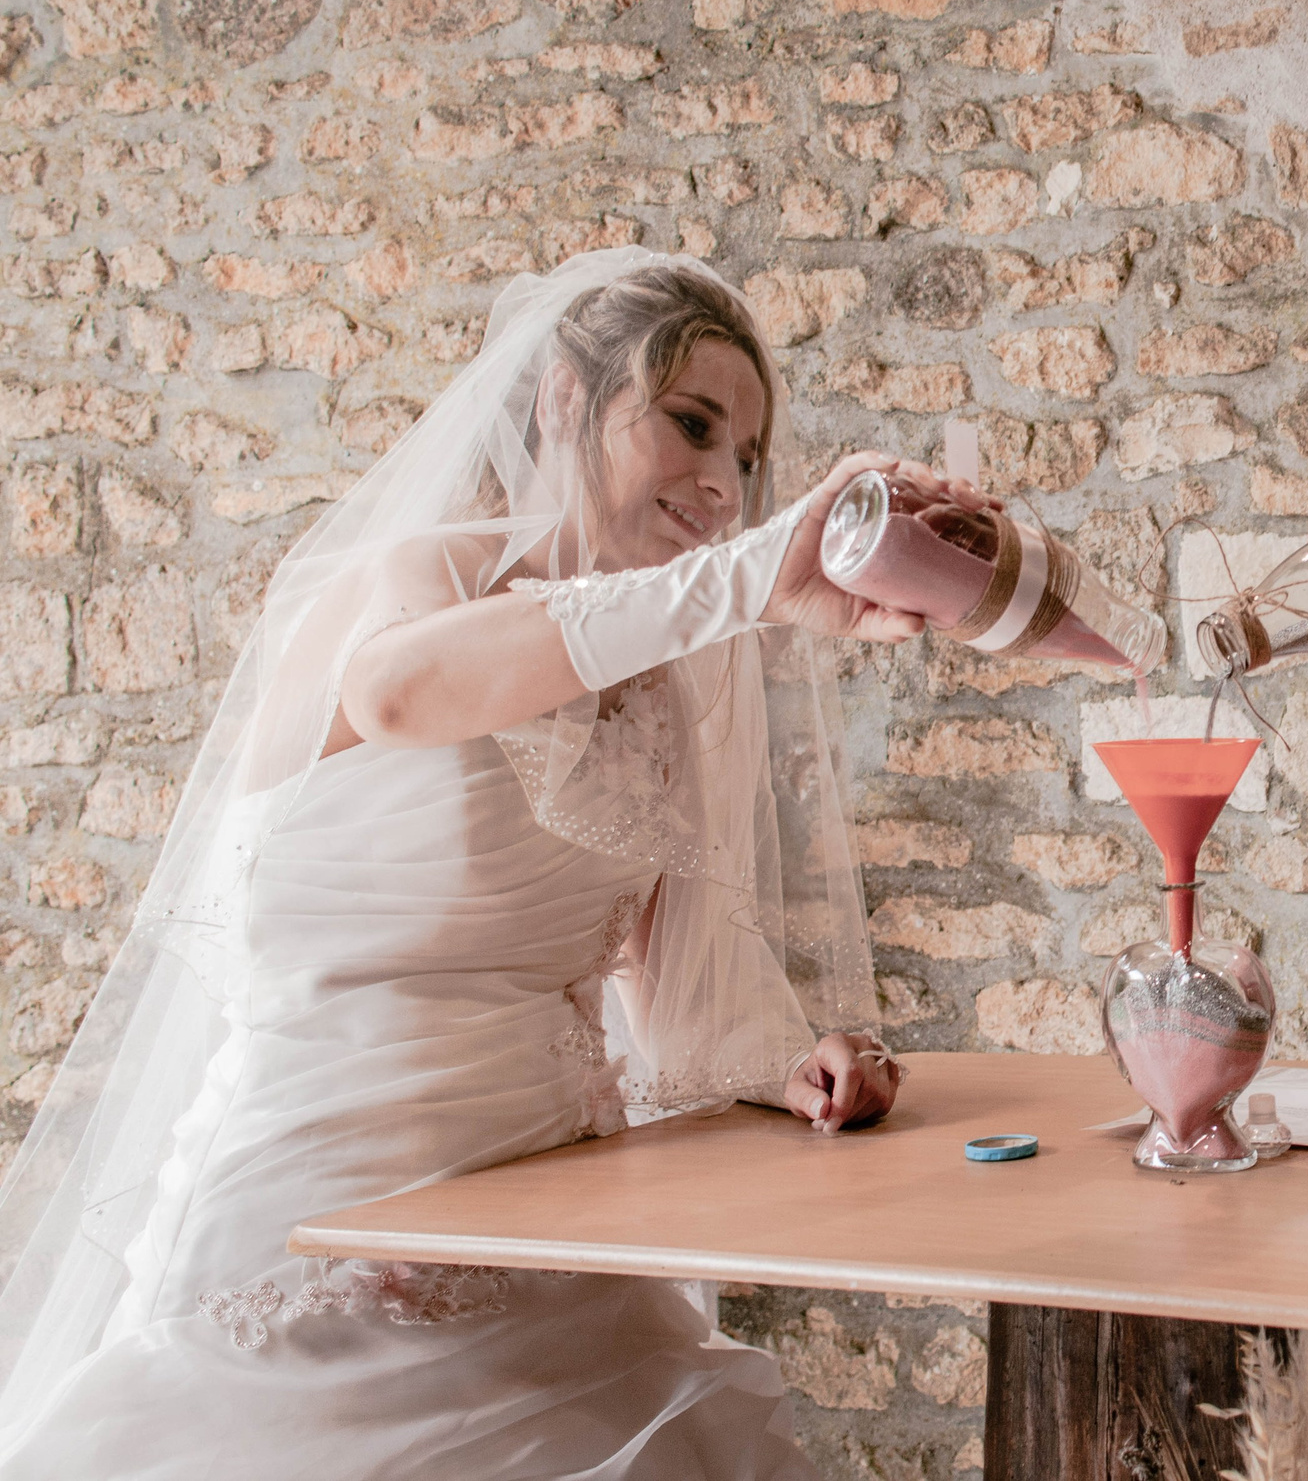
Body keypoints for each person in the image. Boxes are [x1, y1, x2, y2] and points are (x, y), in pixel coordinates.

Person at [0, 249, 952, 1477]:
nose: (722, 482)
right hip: (330, 1205)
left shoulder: (675, 660)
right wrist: (747, 577)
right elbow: (395, 693)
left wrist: (793, 1066)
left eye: (748, 459)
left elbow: (667, 971)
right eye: (691, 423)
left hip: (552, 1217)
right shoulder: (419, 577)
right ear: (563, 395)